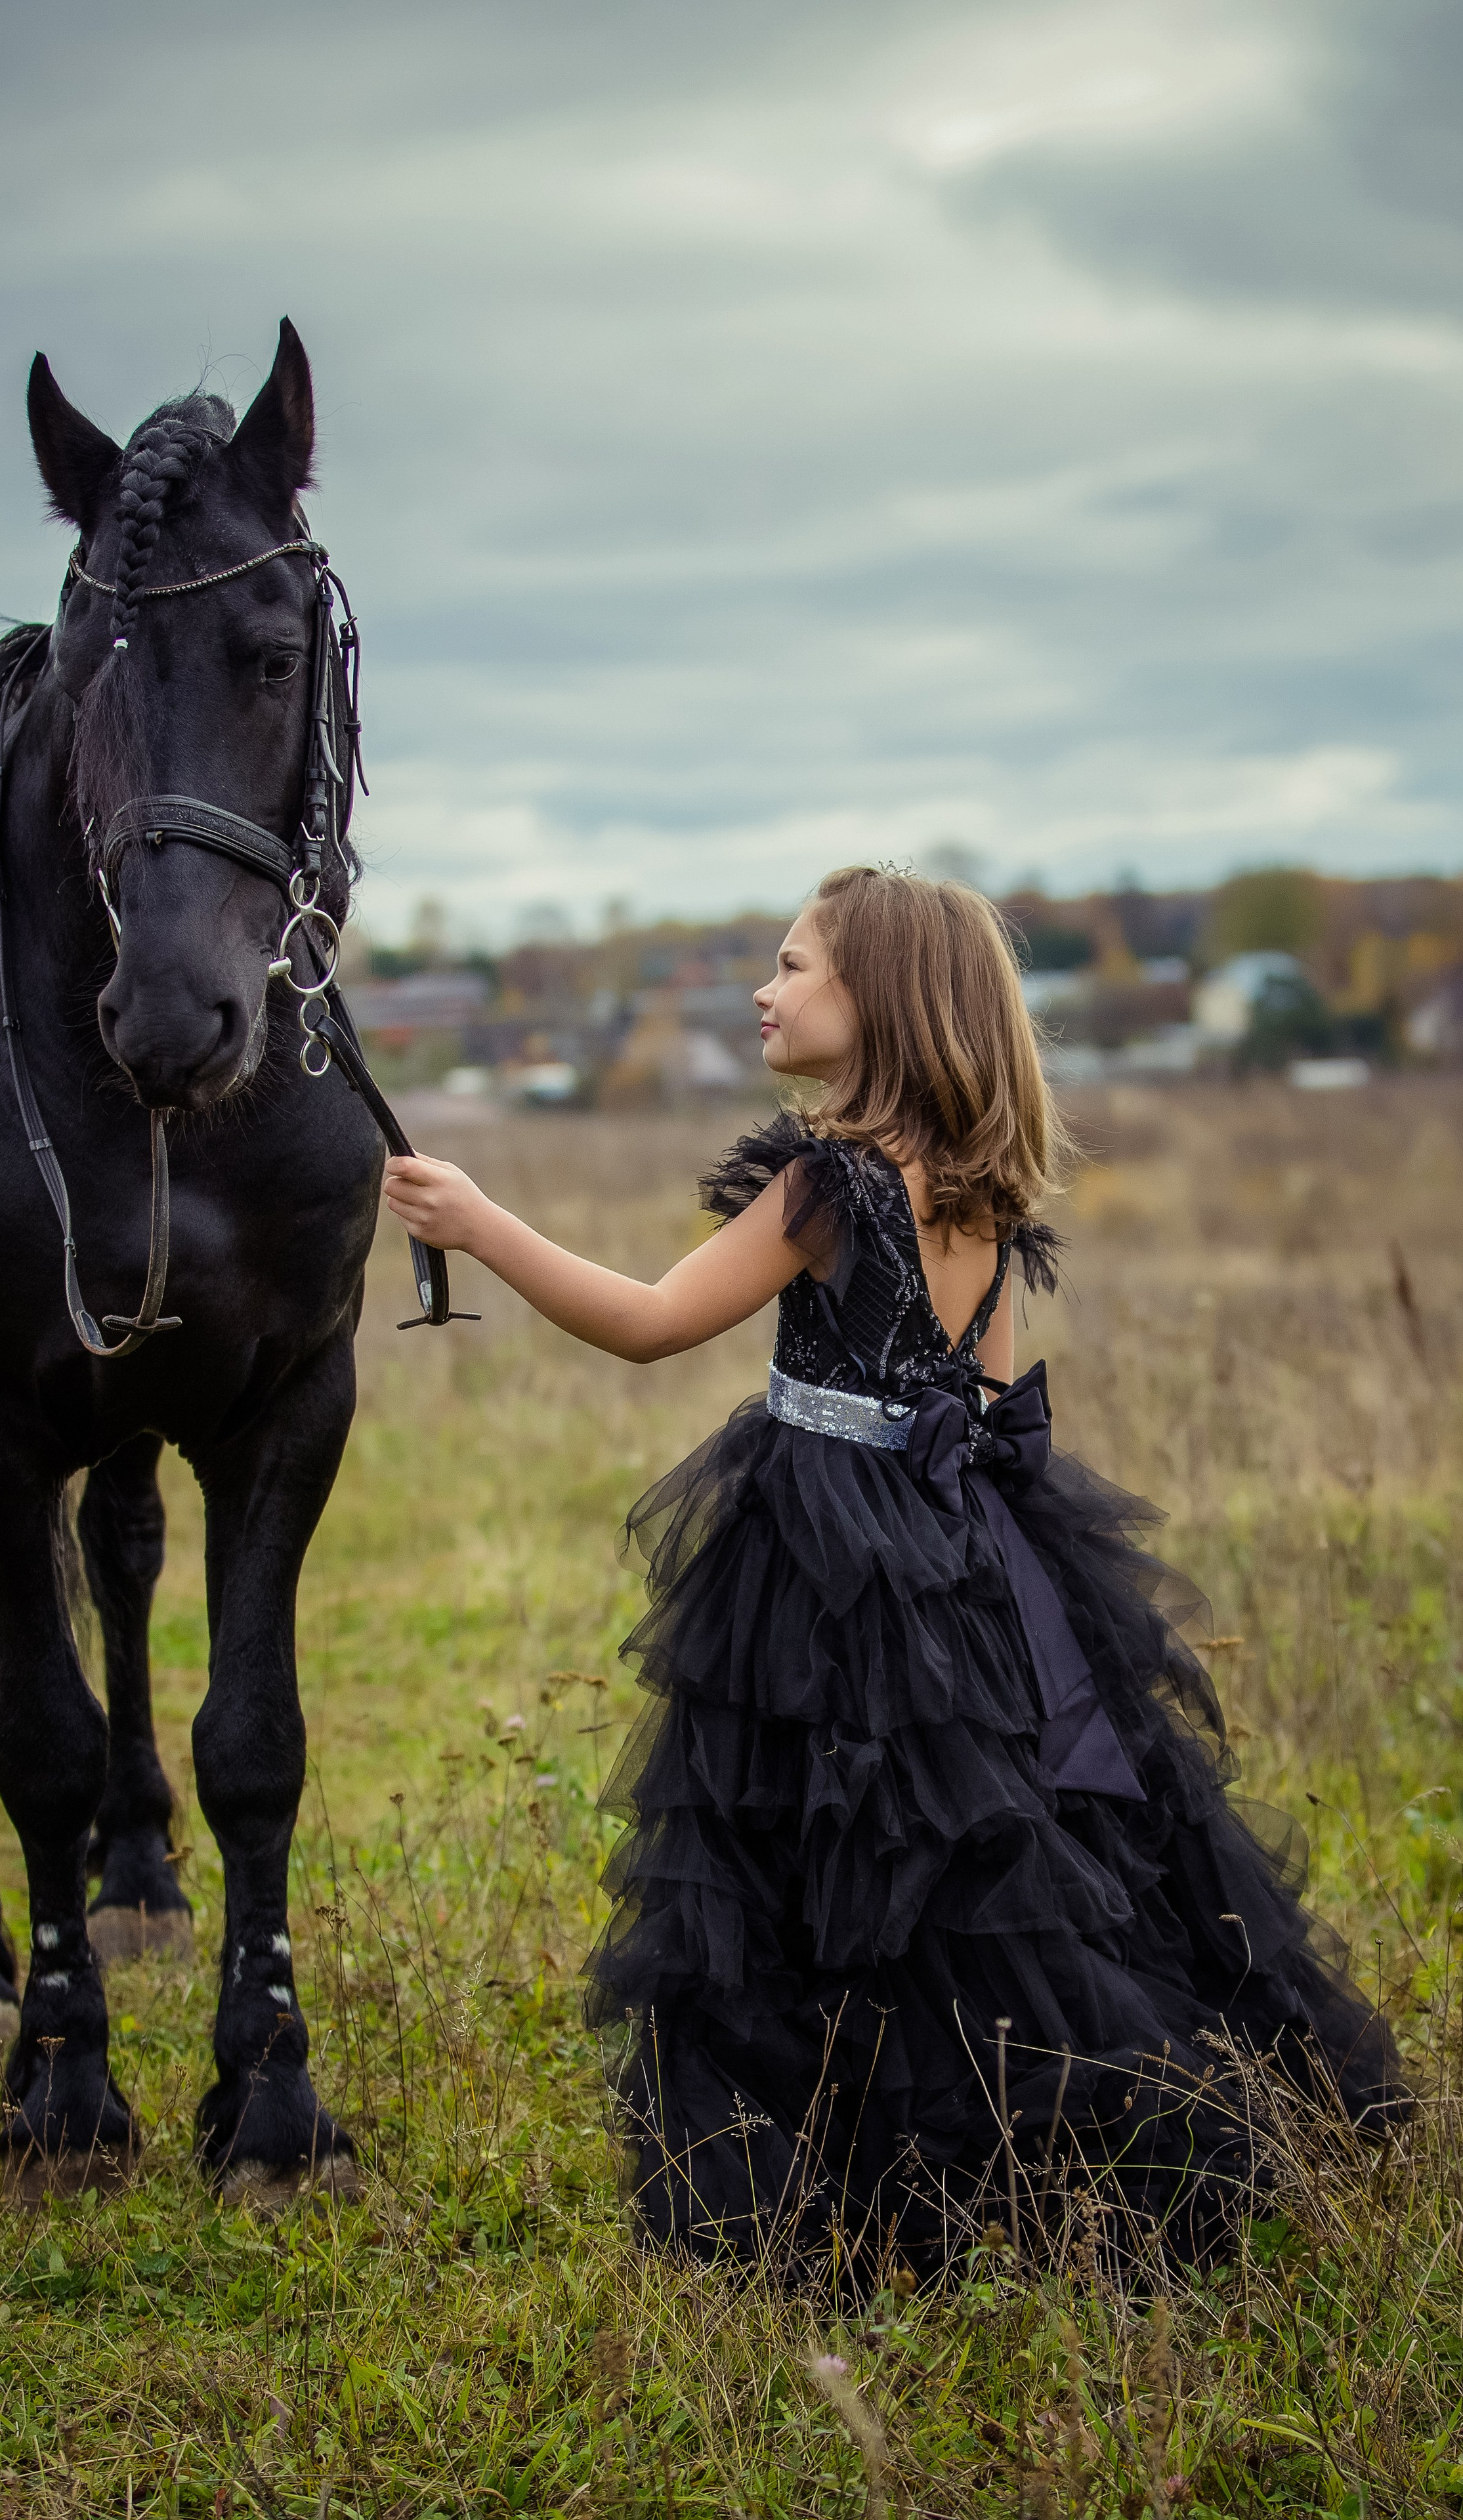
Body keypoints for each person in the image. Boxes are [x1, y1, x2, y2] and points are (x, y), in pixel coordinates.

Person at [384, 865, 1401, 2272]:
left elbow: (646, 1322)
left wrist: (476, 1221)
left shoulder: (827, 1186)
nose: (764, 989)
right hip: (968, 1551)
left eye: (793, 967)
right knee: (968, 1854)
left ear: (879, 1001)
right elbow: (982, 1415)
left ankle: (856, 2169)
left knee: (809, 1851)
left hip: (820, 1560)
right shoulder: (975, 1191)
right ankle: (1012, 2138)